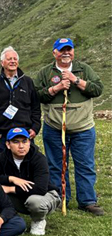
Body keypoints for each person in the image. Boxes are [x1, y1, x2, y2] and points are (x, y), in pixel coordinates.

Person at [36, 37, 104, 215]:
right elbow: (36, 95)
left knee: (85, 165)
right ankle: (59, 198)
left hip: (83, 128)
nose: (66, 53)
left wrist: (76, 80)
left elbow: (98, 89)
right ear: (54, 53)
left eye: (69, 49)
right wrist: (56, 88)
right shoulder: (45, 72)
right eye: (62, 50)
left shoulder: (84, 69)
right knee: (56, 165)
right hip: (54, 128)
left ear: (73, 52)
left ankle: (87, 201)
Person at [0, 128, 61, 236]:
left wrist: (10, 189)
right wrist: (11, 178)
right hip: (20, 196)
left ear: (29, 143)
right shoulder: (2, 157)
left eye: (24, 141)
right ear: (8, 144)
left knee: (34, 202)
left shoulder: (39, 158)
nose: (21, 146)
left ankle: (38, 220)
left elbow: (40, 189)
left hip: (45, 195)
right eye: (16, 142)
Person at [0, 47, 41, 154]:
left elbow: (35, 107)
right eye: (9, 59)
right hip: (1, 135)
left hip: (24, 133)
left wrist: (35, 128)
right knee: (1, 163)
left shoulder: (28, 82)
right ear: (2, 63)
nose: (12, 61)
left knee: (27, 163)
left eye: (15, 59)